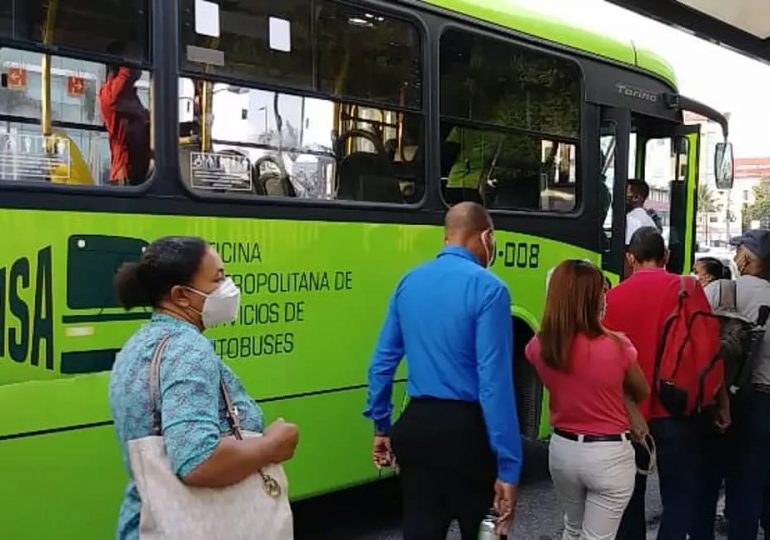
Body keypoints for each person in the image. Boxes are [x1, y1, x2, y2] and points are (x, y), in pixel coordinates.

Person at [109, 236, 299, 540]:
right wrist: (273, 445)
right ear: (181, 295)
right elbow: (198, 461)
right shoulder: (187, 349)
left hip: (146, 520)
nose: (229, 288)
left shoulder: (138, 345)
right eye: (218, 278)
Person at [363, 202, 522, 539]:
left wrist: (382, 426)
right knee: (483, 530)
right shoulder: (491, 289)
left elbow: (381, 364)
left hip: (418, 428)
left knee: (420, 529)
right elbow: (494, 384)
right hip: (468, 433)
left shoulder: (409, 282)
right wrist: (508, 467)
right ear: (486, 237)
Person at [605, 227, 722, 540]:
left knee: (630, 499)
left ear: (630, 259)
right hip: (678, 410)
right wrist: (719, 402)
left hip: (629, 417)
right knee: (679, 497)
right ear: (667, 257)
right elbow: (709, 348)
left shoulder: (612, 298)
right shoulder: (688, 289)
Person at [526, 260, 649, 539]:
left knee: (573, 528)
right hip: (609, 454)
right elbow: (641, 390)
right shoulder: (618, 345)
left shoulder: (539, 345)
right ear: (593, 298)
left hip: (563, 450)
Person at [693, 229, 770, 540]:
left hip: (715, 399)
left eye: (740, 249)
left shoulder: (719, 291)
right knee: (750, 485)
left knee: (706, 480)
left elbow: (695, 345)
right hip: (763, 404)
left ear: (748, 258)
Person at [99, 41, 151, 186]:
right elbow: (129, 72)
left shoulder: (127, 95)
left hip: (137, 171)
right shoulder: (112, 94)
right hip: (126, 175)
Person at [625, 180, 657, 245]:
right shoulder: (644, 217)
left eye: (626, 194)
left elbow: (629, 247)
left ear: (636, 197)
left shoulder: (633, 219)